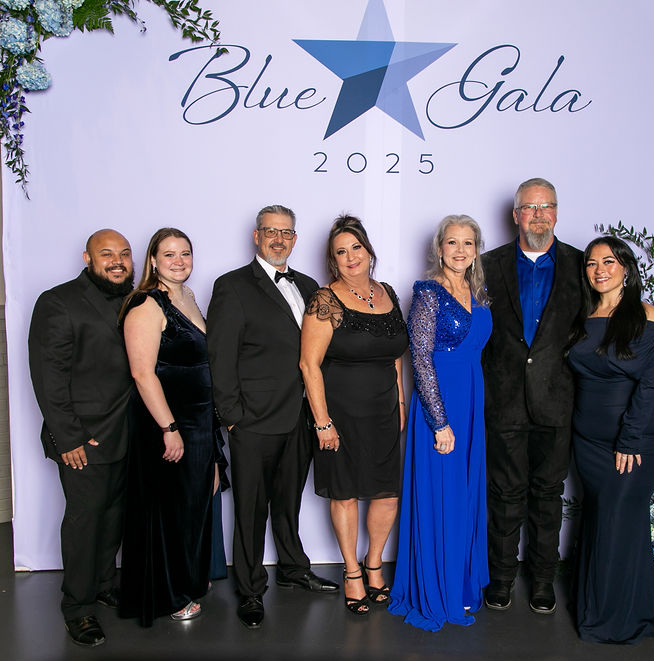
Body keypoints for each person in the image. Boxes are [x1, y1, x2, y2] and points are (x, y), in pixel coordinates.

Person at [206, 205, 338, 631]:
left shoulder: (309, 285)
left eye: (286, 233)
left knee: (289, 501)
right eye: (271, 232)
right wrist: (232, 418)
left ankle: (293, 569)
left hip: (301, 416)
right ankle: (250, 589)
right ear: (257, 236)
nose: (279, 239)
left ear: (295, 239)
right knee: (250, 510)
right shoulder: (232, 286)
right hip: (254, 420)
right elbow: (221, 356)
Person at [28, 228, 135, 647]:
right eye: (106, 254)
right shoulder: (58, 302)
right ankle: (77, 607)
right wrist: (68, 438)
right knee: (84, 522)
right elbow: (48, 376)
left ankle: (104, 584)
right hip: (83, 438)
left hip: (127, 432)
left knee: (114, 518)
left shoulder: (134, 298)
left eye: (124, 253)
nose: (117, 261)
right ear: (87, 258)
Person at [481, 178, 583, 614]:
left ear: (556, 213)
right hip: (503, 401)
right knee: (504, 496)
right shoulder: (487, 264)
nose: (538, 215)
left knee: (547, 496)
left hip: (557, 401)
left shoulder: (581, 265)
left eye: (546, 207)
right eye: (530, 208)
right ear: (515, 215)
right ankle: (501, 579)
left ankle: (543, 580)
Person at [300, 215, 408, 616]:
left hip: (384, 410)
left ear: (368, 250)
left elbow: (395, 355)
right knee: (344, 493)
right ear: (333, 260)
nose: (350, 257)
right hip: (340, 414)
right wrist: (322, 421)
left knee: (387, 494)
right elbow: (308, 364)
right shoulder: (325, 300)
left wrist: (400, 402)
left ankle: (374, 563)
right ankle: (351, 571)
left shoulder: (388, 293)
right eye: (341, 252)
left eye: (356, 248)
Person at [389, 215, 493, 632]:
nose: (460, 250)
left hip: (471, 404)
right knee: (443, 497)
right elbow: (420, 358)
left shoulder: (478, 292)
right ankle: (438, 591)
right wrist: (439, 422)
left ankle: (461, 586)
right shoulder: (428, 293)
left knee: (464, 496)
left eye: (468, 243)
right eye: (452, 242)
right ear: (439, 248)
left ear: (476, 250)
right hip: (442, 408)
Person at [118, 227, 226, 627]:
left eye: (185, 253)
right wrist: (169, 427)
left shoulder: (189, 296)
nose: (179, 261)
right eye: (169, 254)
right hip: (168, 422)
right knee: (169, 511)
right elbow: (142, 373)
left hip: (200, 421)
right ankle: (169, 594)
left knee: (194, 504)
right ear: (153, 260)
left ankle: (188, 578)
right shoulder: (146, 303)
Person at [566, 235, 654, 644]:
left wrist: (629, 439)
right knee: (602, 520)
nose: (600, 270)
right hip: (588, 440)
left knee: (616, 521)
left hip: (635, 438)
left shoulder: (644, 314)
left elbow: (652, 382)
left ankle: (614, 621)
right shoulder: (583, 315)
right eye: (592, 263)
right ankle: (615, 609)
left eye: (609, 261)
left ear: (626, 267)